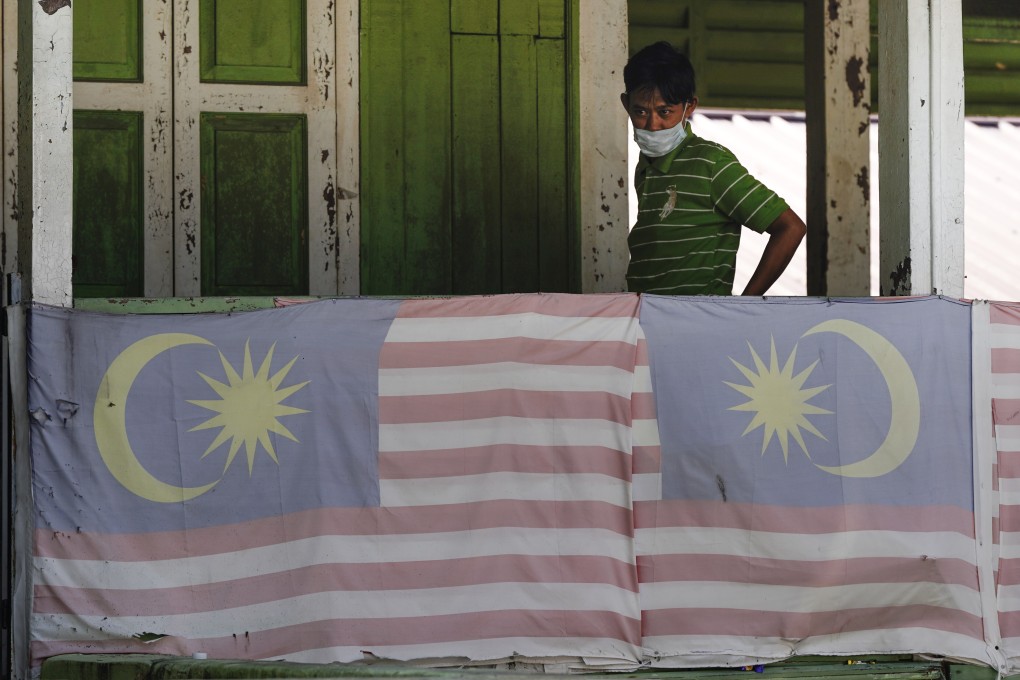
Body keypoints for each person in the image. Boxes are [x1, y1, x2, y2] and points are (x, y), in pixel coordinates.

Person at [622, 42, 806, 296]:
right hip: (647, 321)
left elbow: (791, 227)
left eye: (665, 112)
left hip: (698, 324)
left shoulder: (711, 163)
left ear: (690, 107)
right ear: (625, 104)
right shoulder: (645, 167)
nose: (653, 124)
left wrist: (745, 304)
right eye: (640, 111)